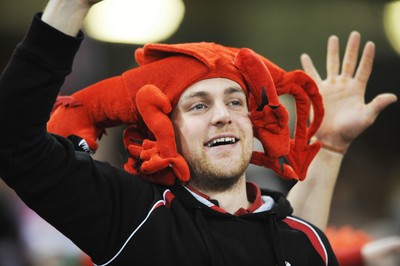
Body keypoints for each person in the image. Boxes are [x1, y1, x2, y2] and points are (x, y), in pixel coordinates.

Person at [0, 1, 393, 265]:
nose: (222, 115)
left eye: (235, 102)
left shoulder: (300, 234)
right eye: (199, 105)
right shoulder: (132, 212)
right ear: (163, 130)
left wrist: (329, 144)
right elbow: (13, 141)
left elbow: (298, 235)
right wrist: (69, 6)